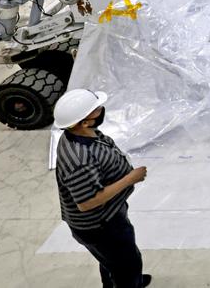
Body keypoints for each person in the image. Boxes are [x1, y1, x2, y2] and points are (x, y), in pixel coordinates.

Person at [53, 89, 151, 288]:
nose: (101, 110)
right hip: (101, 225)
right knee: (127, 264)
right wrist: (130, 178)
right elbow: (87, 203)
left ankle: (119, 281)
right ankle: (129, 281)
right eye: (95, 110)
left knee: (111, 261)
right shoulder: (79, 159)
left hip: (109, 214)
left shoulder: (82, 133)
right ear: (83, 122)